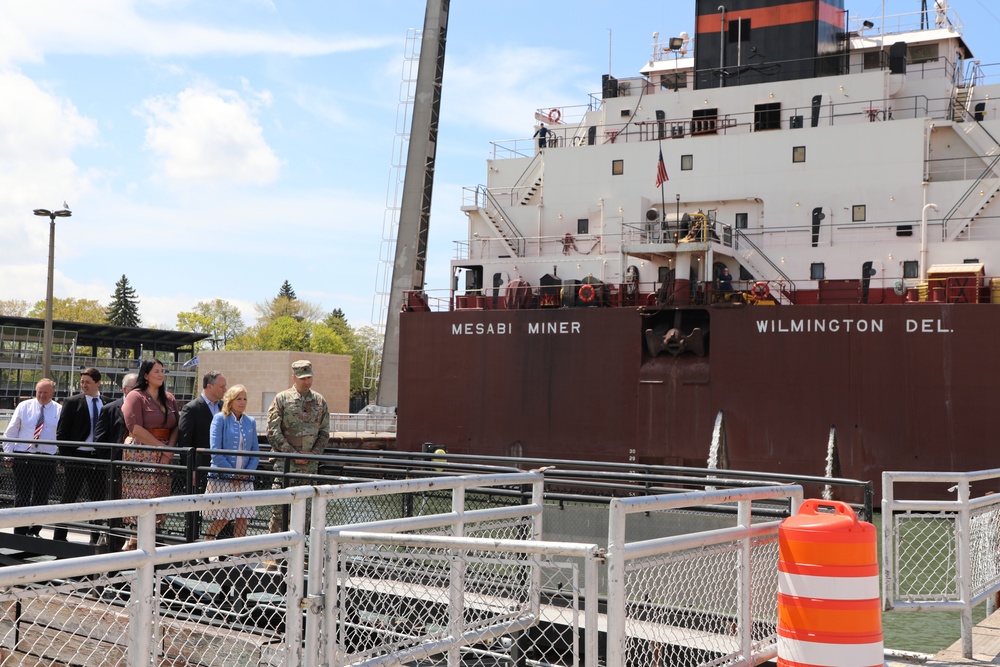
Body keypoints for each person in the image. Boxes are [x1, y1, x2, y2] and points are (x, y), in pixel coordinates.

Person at [121, 358, 179, 548]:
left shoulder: (169, 398)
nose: (161, 374)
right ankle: (134, 541)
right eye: (156, 371)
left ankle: (139, 543)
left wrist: (168, 451)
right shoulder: (135, 396)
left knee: (159, 498)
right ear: (146, 375)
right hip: (142, 452)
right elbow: (134, 427)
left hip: (164, 453)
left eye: (162, 371)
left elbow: (177, 426)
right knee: (142, 498)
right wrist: (160, 448)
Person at [267, 360, 330, 532]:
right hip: (285, 465)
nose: (306, 381)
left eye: (309, 377)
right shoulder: (282, 399)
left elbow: (324, 433)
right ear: (293, 377)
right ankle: (272, 553)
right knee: (279, 510)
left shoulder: (320, 401)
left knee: (305, 515)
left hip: (309, 467)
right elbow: (273, 432)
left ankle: (298, 555)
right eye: (302, 378)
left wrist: (312, 455)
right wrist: (293, 453)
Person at [53, 368, 108, 543]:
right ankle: (59, 538)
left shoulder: (106, 403)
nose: (83, 385)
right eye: (82, 382)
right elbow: (62, 433)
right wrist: (68, 458)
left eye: (87, 382)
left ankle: (96, 538)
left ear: (98, 383)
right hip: (76, 457)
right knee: (69, 497)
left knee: (97, 499)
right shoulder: (72, 402)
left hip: (98, 459)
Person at [2, 379, 61, 536]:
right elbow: (11, 432)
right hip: (24, 455)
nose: (41, 395)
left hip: (47, 457)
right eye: (39, 392)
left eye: (45, 393)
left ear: (53, 393)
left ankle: (35, 530)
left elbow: (62, 436)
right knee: (22, 495)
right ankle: (20, 532)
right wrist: (9, 455)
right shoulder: (24, 406)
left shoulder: (59, 410)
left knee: (42, 496)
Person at [203, 385, 260, 539]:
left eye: (245, 399)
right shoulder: (220, 419)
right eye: (238, 399)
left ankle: (237, 557)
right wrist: (232, 474)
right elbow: (216, 452)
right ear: (230, 400)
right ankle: (204, 547)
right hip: (223, 477)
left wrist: (245, 474)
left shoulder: (250, 421)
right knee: (223, 517)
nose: (242, 402)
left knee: (243, 517)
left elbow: (255, 452)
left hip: (245, 479)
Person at [178, 370, 227, 494]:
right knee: (198, 509)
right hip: (201, 469)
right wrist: (191, 469)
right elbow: (184, 442)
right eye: (221, 387)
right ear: (209, 386)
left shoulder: (224, 407)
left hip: (224, 469)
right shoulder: (191, 408)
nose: (225, 390)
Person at [95, 372, 138, 446]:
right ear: (125, 389)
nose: (138, 391)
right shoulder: (109, 410)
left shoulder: (146, 409)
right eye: (135, 388)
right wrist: (111, 455)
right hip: (115, 455)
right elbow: (99, 438)